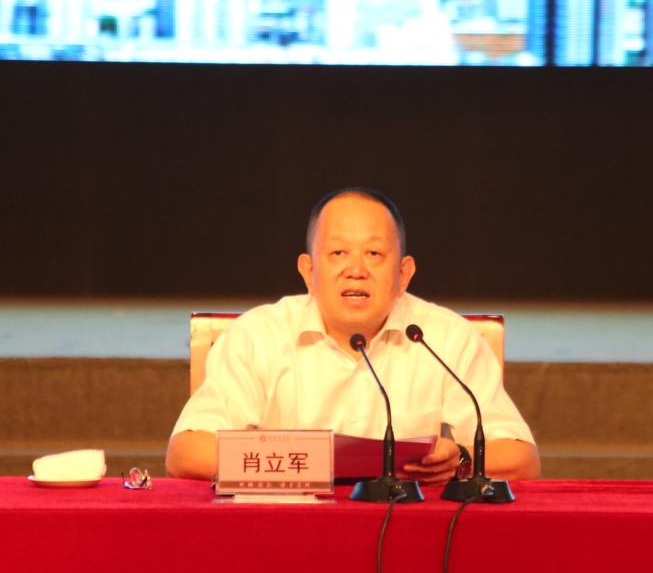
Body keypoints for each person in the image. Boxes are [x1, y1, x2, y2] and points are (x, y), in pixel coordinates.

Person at [166, 188, 539, 483]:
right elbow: (187, 452)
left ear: (403, 274)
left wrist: (462, 460)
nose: (355, 269)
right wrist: (313, 462)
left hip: (405, 531)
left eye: (374, 253)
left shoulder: (444, 338)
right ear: (308, 271)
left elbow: (521, 457)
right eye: (338, 252)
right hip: (286, 528)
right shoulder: (258, 336)